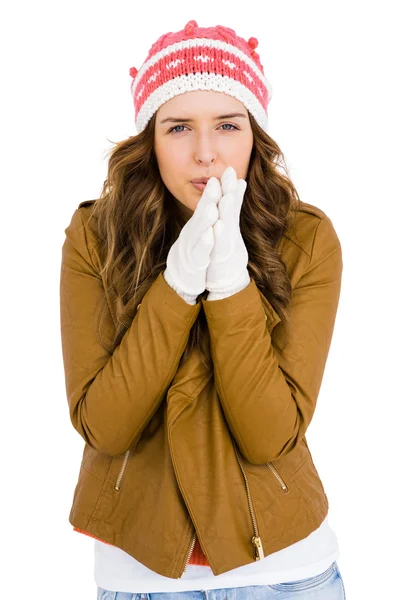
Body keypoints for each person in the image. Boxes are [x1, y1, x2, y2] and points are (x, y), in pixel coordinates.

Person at [59, 19, 347, 600]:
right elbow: (104, 425)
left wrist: (231, 286)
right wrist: (177, 288)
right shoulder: (96, 235)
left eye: (227, 125)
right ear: (149, 138)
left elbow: (270, 437)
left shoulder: (305, 239)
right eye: (179, 126)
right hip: (141, 581)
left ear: (254, 133)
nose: (206, 152)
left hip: (285, 577)